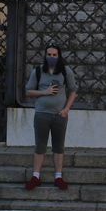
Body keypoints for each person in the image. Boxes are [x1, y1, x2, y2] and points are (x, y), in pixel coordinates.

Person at [23, 45, 78, 190]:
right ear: (45, 55)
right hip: (41, 114)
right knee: (40, 146)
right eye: (49, 54)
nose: (51, 57)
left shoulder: (66, 72)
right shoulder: (38, 71)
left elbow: (73, 91)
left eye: (54, 55)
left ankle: (58, 177)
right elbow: (28, 92)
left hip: (59, 115)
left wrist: (66, 109)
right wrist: (45, 92)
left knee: (58, 147)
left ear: (59, 56)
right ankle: (36, 176)